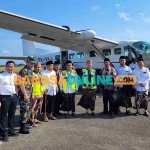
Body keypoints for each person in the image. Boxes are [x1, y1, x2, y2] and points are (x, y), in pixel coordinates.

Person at [0, 61, 19, 142]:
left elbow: (17, 86)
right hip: (4, 98)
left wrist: (16, 94)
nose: (10, 68)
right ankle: (4, 133)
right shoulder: (1, 75)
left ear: (14, 67)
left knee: (12, 114)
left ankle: (11, 130)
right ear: (5, 66)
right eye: (8, 66)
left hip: (13, 97)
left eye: (11, 66)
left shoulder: (15, 75)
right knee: (3, 116)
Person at [18, 56, 36, 134]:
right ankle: (22, 128)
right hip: (24, 93)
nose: (32, 64)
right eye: (31, 63)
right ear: (27, 62)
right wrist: (25, 94)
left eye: (33, 63)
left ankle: (25, 124)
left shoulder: (30, 70)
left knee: (28, 109)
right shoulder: (24, 71)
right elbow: (21, 83)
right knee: (24, 110)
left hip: (29, 93)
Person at [29, 62, 43, 126]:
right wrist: (32, 94)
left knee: (37, 107)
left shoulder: (40, 74)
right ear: (34, 67)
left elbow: (42, 83)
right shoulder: (32, 74)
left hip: (40, 93)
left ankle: (35, 118)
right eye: (37, 67)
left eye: (39, 67)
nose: (38, 68)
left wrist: (43, 90)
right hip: (34, 94)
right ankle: (32, 120)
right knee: (32, 108)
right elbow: (30, 85)